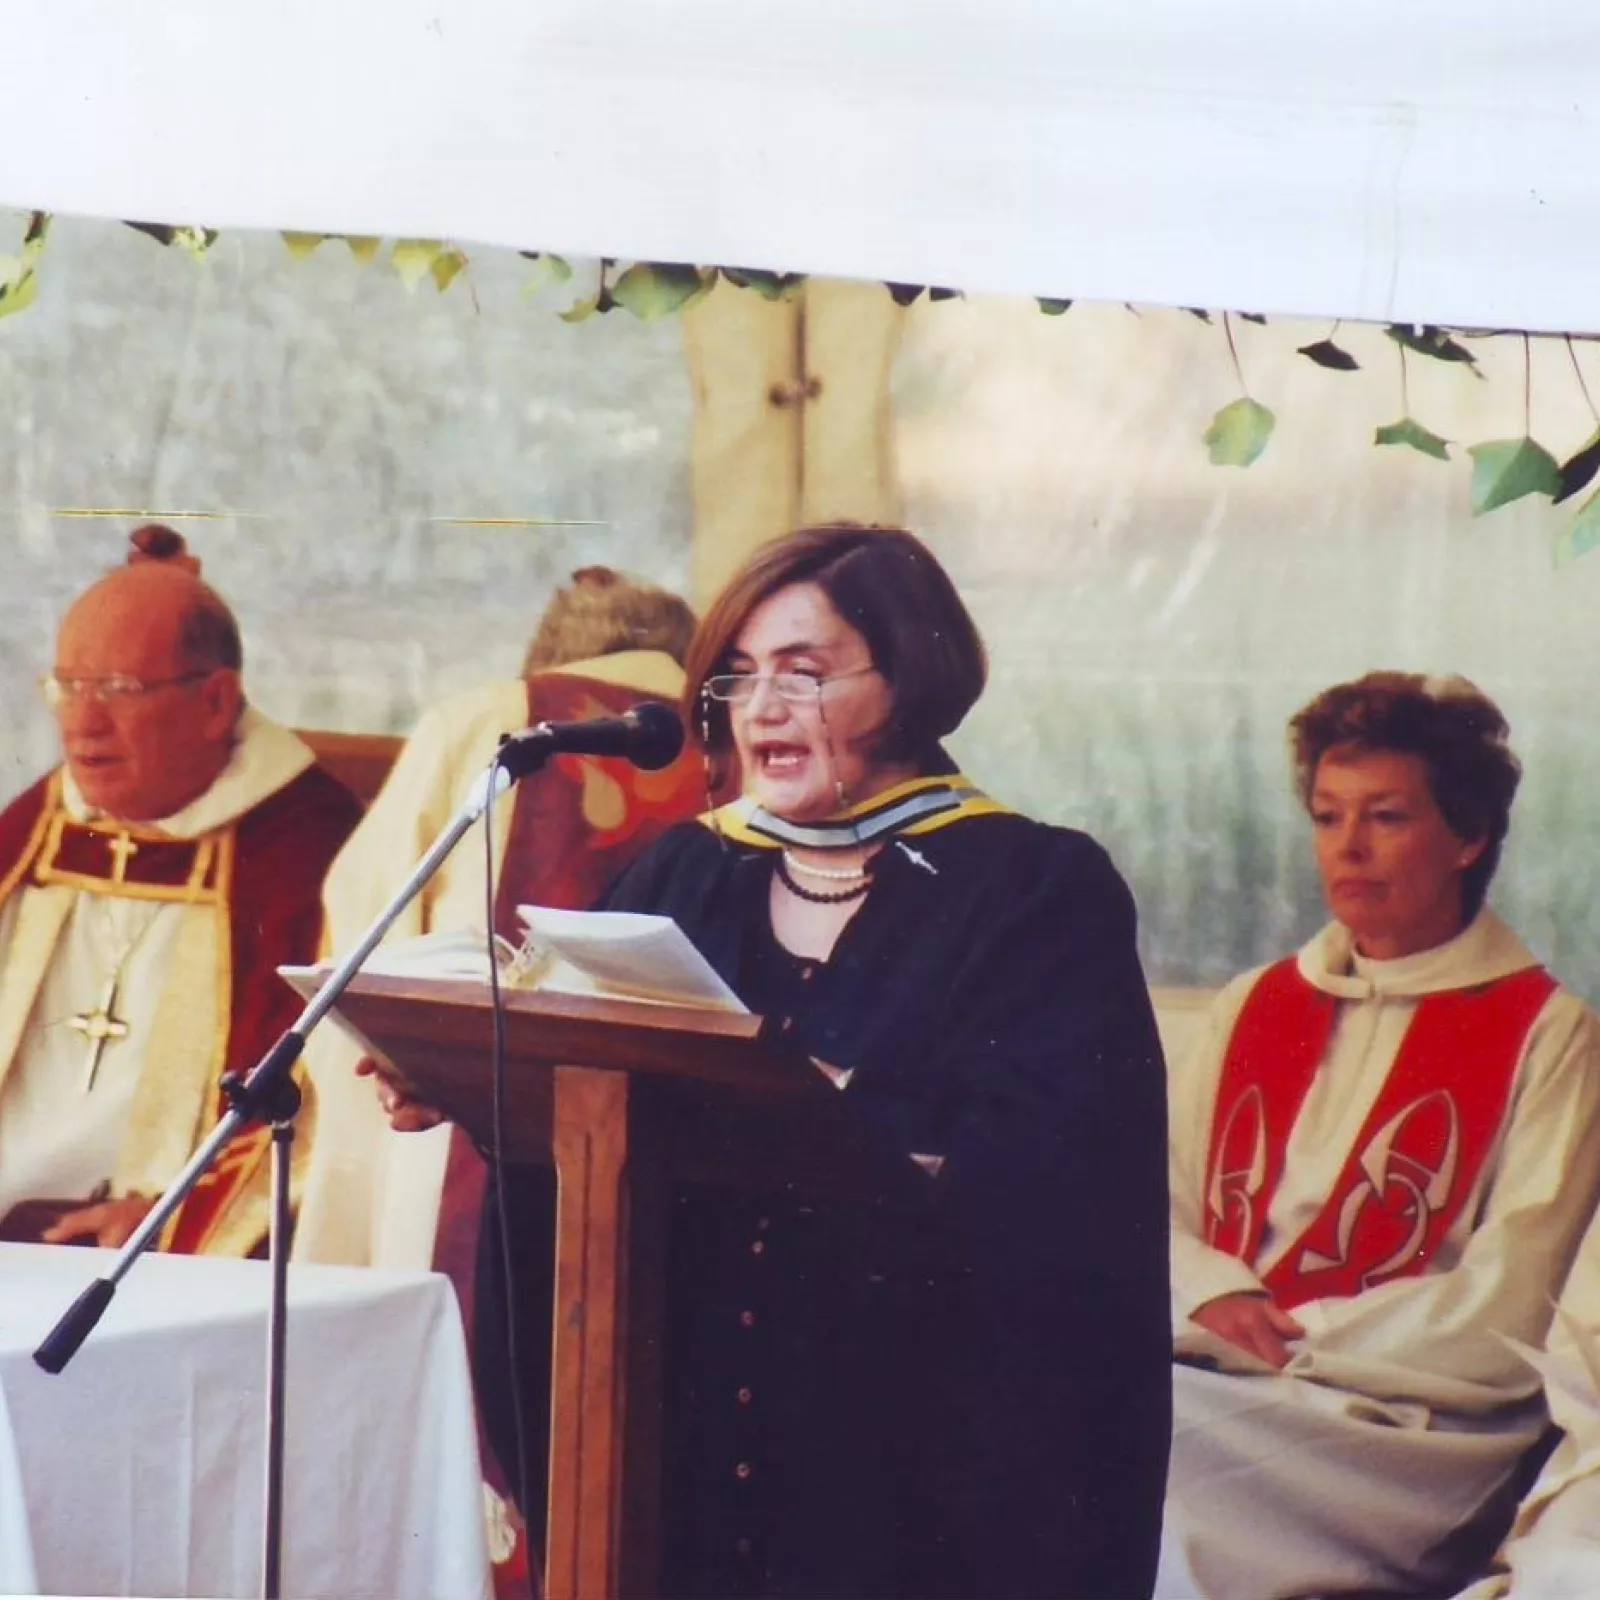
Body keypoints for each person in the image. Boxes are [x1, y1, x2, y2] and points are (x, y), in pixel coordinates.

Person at [371, 524, 1173, 1598]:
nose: (761, 708)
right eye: (740, 677)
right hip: (683, 1436)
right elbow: (592, 1122)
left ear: (911, 676)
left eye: (806, 671)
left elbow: (1054, 1181)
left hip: (907, 1462)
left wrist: (817, 1095)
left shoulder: (1034, 890)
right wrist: (479, 1082)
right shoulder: (687, 873)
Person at [1159, 671, 1600, 1599]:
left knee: (1146, 1470)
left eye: (1386, 817)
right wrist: (1210, 1293)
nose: (1347, 850)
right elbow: (1147, 1203)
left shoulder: (1550, 1032)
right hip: (1220, 1373)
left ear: (1469, 837)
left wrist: (1292, 1336)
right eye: (1327, 816)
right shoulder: (1256, 1004)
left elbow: (1513, 1301)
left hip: (1399, 1427)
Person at [293, 564, 704, 1270]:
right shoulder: (721, 736)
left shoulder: (486, 716)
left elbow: (369, 912)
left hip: (453, 1113)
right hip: (661, 1129)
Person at [0, 526, 362, 1255]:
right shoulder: (38, 829)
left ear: (216, 703)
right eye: (68, 686)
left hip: (142, 1241)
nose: (81, 721)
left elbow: (329, 1100)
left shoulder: (309, 850)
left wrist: (175, 1209)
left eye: (119, 689)